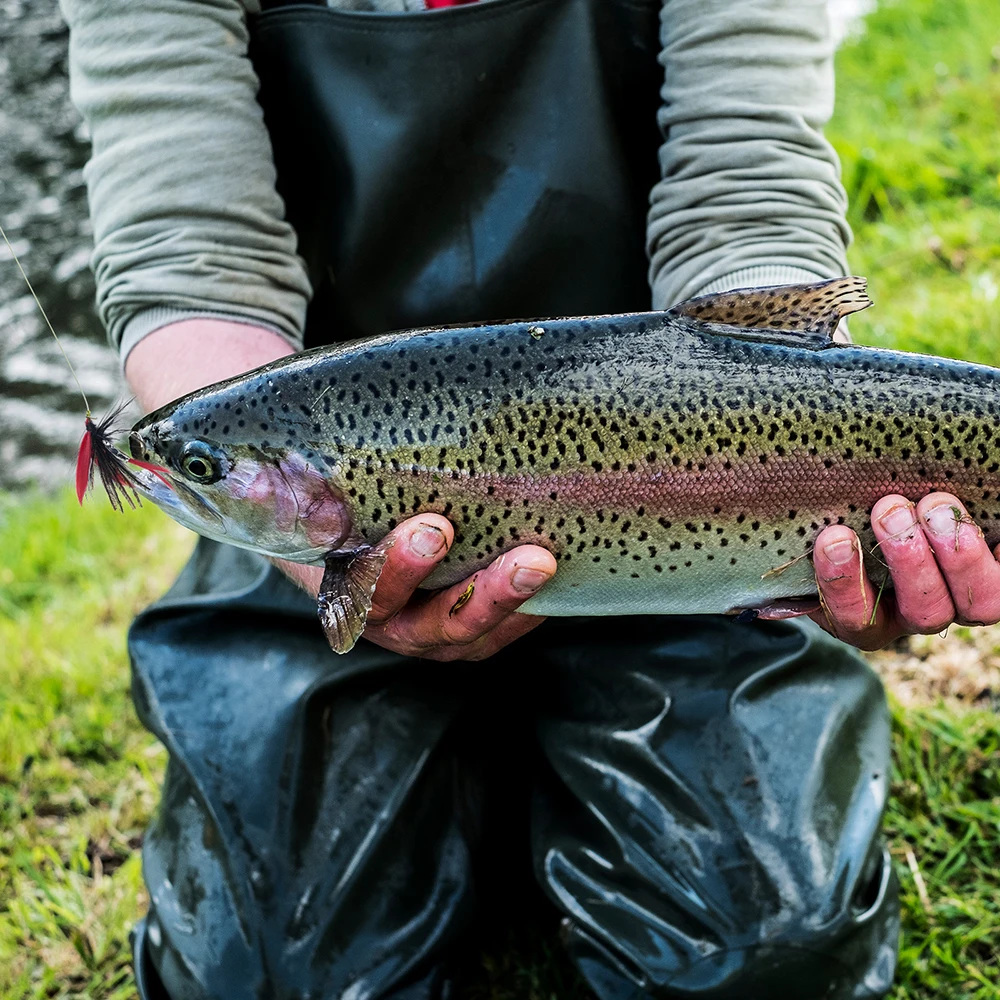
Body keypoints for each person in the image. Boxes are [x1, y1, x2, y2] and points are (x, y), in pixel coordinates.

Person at [57, 0, 1000, 996]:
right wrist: (307, 558)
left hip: (684, 506)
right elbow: (193, 260)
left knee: (763, 956)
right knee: (267, 975)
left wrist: (826, 475)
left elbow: (746, 195)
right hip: (316, 497)